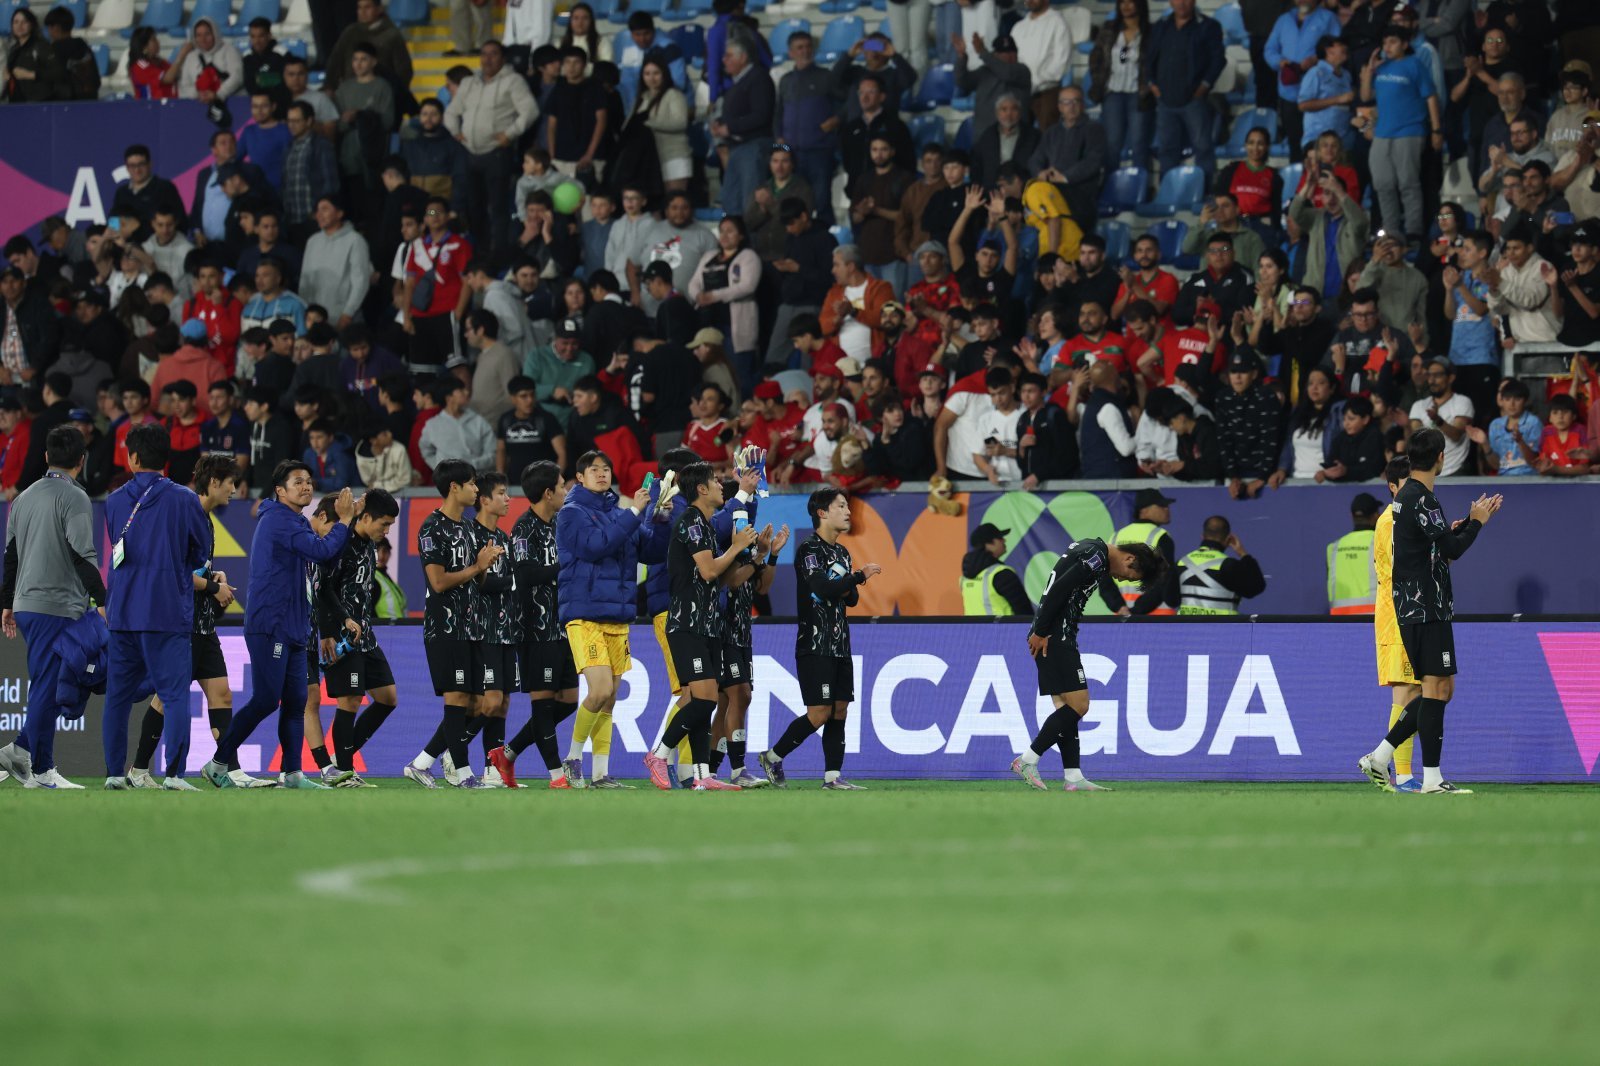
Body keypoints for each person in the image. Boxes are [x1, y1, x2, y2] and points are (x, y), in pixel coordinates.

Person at [1358, 429, 1502, 795]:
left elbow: (1435, 547)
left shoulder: (1409, 499)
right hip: (1425, 607)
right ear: (1442, 457)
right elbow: (1453, 549)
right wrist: (1477, 522)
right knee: (1436, 688)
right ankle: (1431, 778)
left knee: (1441, 688)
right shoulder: (1421, 499)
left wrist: (1459, 527)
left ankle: (1380, 755)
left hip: (1418, 606)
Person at [202, 466, 354, 789]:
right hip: (271, 624)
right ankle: (218, 763)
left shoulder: (296, 521)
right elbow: (323, 551)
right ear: (280, 491)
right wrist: (344, 521)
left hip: (294, 625)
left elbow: (325, 559)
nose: (306, 487)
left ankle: (294, 773)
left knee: (297, 700)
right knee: (266, 699)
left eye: (309, 482)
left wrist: (347, 520)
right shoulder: (278, 520)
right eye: (297, 482)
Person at [99, 426, 213, 790]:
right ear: (166, 459)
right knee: (175, 693)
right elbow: (201, 552)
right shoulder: (185, 499)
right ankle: (175, 776)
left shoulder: (114, 501)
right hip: (166, 612)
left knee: (117, 697)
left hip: (123, 613)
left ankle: (116, 775)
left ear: (132, 458)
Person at [130, 456, 253, 788]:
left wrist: (213, 576)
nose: (234, 489)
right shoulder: (185, 514)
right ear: (214, 482)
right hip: (180, 624)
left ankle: (228, 769)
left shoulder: (207, 518)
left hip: (202, 623)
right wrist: (214, 587)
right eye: (230, 482)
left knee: (222, 694)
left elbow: (193, 569)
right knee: (166, 699)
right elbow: (174, 571)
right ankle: (140, 771)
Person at [1011, 537, 1166, 792]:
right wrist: (1040, 630)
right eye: (1128, 575)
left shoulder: (1090, 548)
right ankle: (1028, 759)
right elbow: (1060, 589)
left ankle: (1073, 776)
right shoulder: (1097, 557)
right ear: (1130, 559)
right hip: (1054, 636)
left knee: (1065, 708)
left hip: (1053, 633)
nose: (1121, 579)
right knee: (1080, 706)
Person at [641, 462, 758, 791]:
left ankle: (703, 775)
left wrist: (758, 555)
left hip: (707, 625)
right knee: (705, 700)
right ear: (702, 489)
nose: (723, 486)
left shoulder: (705, 525)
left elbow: (724, 581)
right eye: (717, 482)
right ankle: (659, 755)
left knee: (699, 700)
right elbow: (708, 571)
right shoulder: (691, 521)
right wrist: (735, 546)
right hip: (687, 624)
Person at [0, 426, 105, 789]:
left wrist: (7, 603)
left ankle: (40, 768)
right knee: (50, 683)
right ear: (82, 459)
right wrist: (105, 600)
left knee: (47, 681)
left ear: (46, 457)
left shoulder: (23, 498)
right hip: (55, 605)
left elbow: (10, 556)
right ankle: (23, 751)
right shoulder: (75, 497)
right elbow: (81, 554)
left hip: (28, 604)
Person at [758, 489, 881, 790]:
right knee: (819, 713)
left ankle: (832, 777)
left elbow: (849, 598)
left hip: (840, 644)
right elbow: (822, 587)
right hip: (814, 644)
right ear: (823, 513)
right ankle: (773, 756)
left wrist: (846, 582)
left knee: (840, 709)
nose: (848, 511)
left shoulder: (841, 553)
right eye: (841, 506)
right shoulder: (809, 550)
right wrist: (856, 577)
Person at [556, 450, 666, 788]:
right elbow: (595, 546)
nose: (602, 474)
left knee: (610, 697)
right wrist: (635, 512)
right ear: (580, 477)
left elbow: (651, 551)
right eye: (594, 469)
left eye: (607, 468)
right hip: (584, 613)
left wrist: (659, 520)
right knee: (600, 689)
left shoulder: (622, 515)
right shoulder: (571, 514)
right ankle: (573, 758)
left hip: (617, 616)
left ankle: (600, 773)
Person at [397, 461, 493, 788]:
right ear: (454, 487)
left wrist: (483, 567)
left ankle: (422, 763)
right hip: (445, 627)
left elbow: (473, 580)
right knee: (456, 699)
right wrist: (475, 566)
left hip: (471, 626)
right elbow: (437, 583)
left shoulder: (467, 527)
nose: (477, 489)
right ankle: (463, 773)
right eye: (471, 483)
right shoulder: (431, 528)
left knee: (478, 703)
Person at [489, 461, 579, 789]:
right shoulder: (524, 529)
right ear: (547, 493)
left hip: (562, 626)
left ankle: (508, 752)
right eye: (561, 486)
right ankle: (557, 776)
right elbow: (524, 575)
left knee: (568, 699)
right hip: (534, 628)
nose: (565, 492)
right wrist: (563, 567)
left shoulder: (559, 524)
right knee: (542, 702)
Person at [444, 40, 539, 266]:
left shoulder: (513, 81)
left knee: (497, 208)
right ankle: (480, 251)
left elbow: (530, 110)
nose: (487, 59)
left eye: (493, 54)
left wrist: (511, 134)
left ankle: (498, 256)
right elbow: (451, 111)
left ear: (503, 58)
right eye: (484, 54)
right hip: (470, 153)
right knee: (474, 208)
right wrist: (456, 131)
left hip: (496, 154)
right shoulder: (469, 82)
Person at [1362, 23, 1443, 245]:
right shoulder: (1381, 68)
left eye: (1393, 42)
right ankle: (1390, 230)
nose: (1387, 46)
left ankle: (1414, 230)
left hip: (1410, 130)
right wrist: (1369, 71)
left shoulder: (1415, 65)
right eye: (1385, 42)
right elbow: (1366, 95)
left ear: (1404, 44)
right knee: (1382, 183)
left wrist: (1436, 130)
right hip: (1382, 133)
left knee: (1408, 182)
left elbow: (1431, 97)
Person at [1367, 456, 1421, 789]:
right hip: (1398, 614)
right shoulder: (1391, 520)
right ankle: (1401, 774)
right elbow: (1402, 569)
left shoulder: (1405, 518)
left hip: (1408, 611)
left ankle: (1402, 772)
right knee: (1406, 693)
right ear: (1393, 487)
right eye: (1408, 483)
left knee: (1413, 691)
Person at [1144, 0, 1225, 182]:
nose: (1181, 3)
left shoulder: (1208, 26)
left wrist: (1204, 85)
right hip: (1164, 100)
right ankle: (1167, 192)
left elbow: (1218, 60)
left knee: (1203, 147)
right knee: (1166, 150)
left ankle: (1207, 193)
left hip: (1194, 100)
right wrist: (1151, 83)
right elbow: (1147, 57)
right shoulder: (1160, 26)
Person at [1028, 86, 1108, 230]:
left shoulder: (1094, 129)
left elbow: (1093, 162)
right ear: (1059, 107)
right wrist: (1041, 173)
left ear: (1082, 105)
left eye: (1075, 102)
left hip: (1080, 194)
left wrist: (1064, 177)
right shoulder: (1052, 132)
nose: (1071, 107)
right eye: (1066, 102)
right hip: (1054, 192)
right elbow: (1036, 159)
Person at [1173, 515, 1266, 615]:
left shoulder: (1181, 562)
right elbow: (1256, 587)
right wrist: (1243, 554)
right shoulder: (1229, 565)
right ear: (1228, 539)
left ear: (1202, 536)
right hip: (1221, 628)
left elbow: (1171, 599)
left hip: (1186, 628)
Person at [1407, 357, 1473, 476]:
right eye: (1429, 375)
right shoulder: (1419, 405)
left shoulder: (1462, 402)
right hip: (1426, 473)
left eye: (1437, 375)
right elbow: (1417, 440)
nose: (1431, 380)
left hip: (1455, 471)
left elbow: (1456, 435)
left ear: (1451, 378)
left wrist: (1437, 420)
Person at [1468, 376, 1541, 477]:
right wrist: (1485, 443)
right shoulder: (1495, 425)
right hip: (1504, 480)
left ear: (1525, 401)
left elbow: (1535, 462)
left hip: (1529, 478)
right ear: (1501, 401)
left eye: (1517, 399)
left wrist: (1520, 441)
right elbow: (1497, 465)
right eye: (1507, 399)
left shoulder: (1533, 422)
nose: (1512, 404)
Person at [1327, 489, 1381, 616]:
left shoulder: (1333, 547)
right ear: (1375, 516)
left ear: (1352, 516)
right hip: (1374, 618)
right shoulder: (1381, 542)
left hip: (1339, 620)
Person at [960, 522, 1032, 617]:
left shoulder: (964, 577)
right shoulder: (1001, 574)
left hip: (974, 631)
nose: (1004, 540)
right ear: (989, 543)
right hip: (1004, 631)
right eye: (1000, 538)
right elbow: (1025, 613)